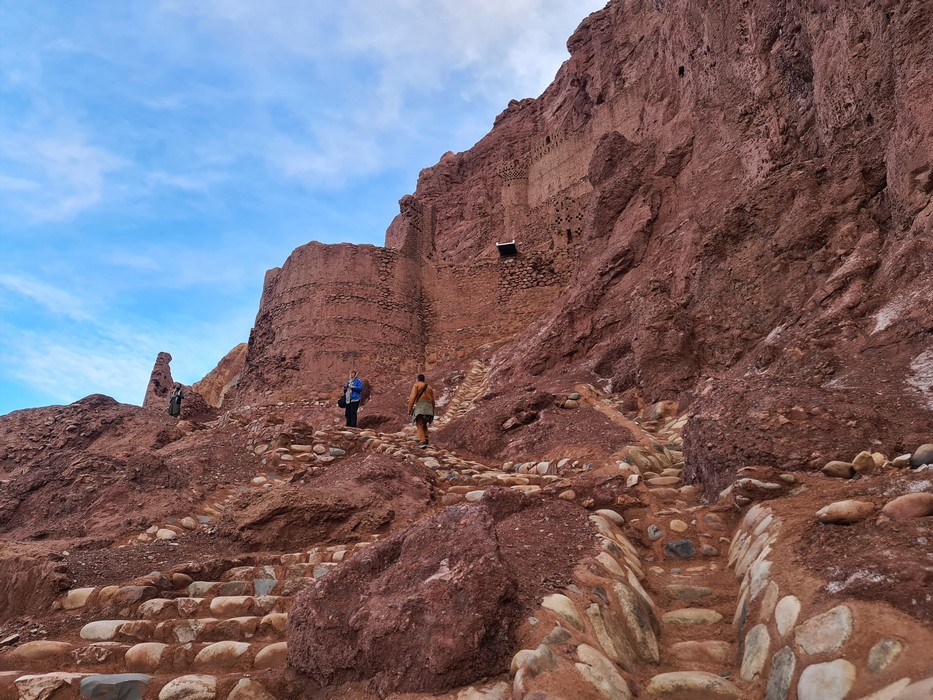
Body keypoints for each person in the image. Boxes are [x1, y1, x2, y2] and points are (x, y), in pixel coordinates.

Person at [407, 373, 435, 448]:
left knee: (419, 423)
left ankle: (422, 441)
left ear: (417, 379)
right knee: (424, 423)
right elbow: (433, 400)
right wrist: (433, 410)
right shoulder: (429, 387)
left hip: (421, 407)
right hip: (429, 407)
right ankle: (426, 438)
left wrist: (409, 409)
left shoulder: (416, 385)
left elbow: (412, 398)